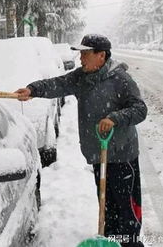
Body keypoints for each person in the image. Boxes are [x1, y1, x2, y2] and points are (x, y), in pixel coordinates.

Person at [15, 34, 147, 247]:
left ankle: (131, 244)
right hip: (99, 153)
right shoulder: (81, 78)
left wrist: (114, 118)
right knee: (108, 207)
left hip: (123, 156)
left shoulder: (120, 79)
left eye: (85, 54)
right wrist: (33, 90)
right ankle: (112, 242)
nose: (81, 59)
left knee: (127, 209)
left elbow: (140, 109)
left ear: (101, 55)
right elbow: (57, 83)